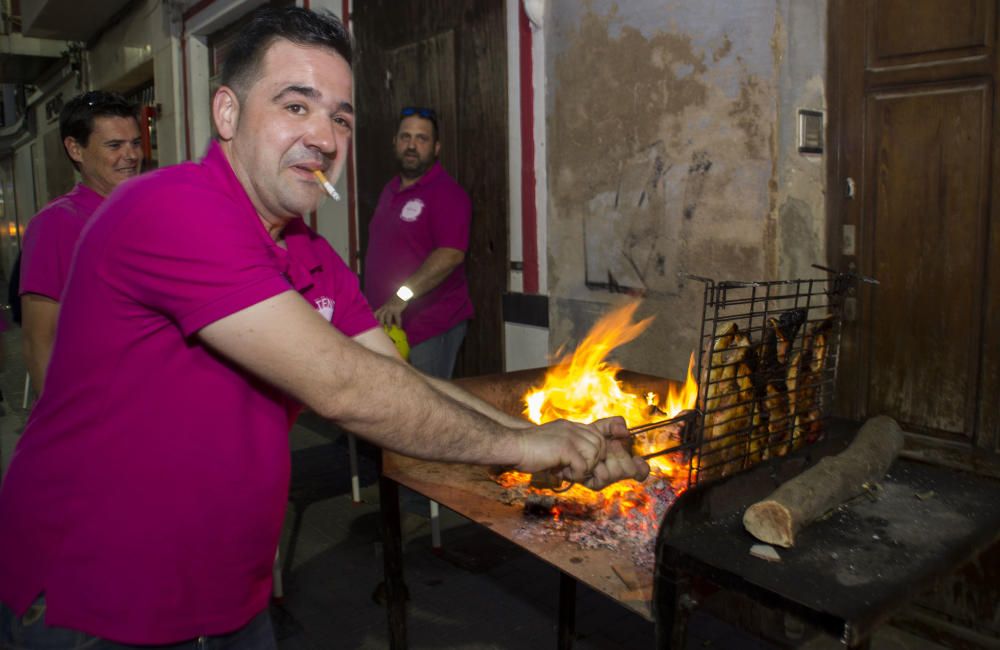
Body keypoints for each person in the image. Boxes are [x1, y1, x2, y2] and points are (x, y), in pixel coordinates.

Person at [0, 7, 650, 648]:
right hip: (93, 594)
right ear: (227, 113)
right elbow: (343, 388)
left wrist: (547, 436)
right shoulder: (172, 207)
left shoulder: (309, 251)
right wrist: (524, 450)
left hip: (226, 595)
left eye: (339, 117)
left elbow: (391, 375)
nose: (324, 137)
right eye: (295, 106)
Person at [19, 90, 143, 395]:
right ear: (75, 149)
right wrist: (56, 428)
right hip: (99, 406)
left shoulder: (149, 212)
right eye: (115, 145)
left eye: (136, 143)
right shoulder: (55, 224)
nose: (131, 156)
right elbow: (39, 340)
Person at [364, 106, 472, 379]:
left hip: (430, 327)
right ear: (395, 142)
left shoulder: (447, 194)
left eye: (421, 139)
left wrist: (401, 297)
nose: (412, 145)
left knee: (430, 408)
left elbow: (450, 255)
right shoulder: (390, 189)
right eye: (405, 137)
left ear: (436, 148)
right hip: (388, 326)